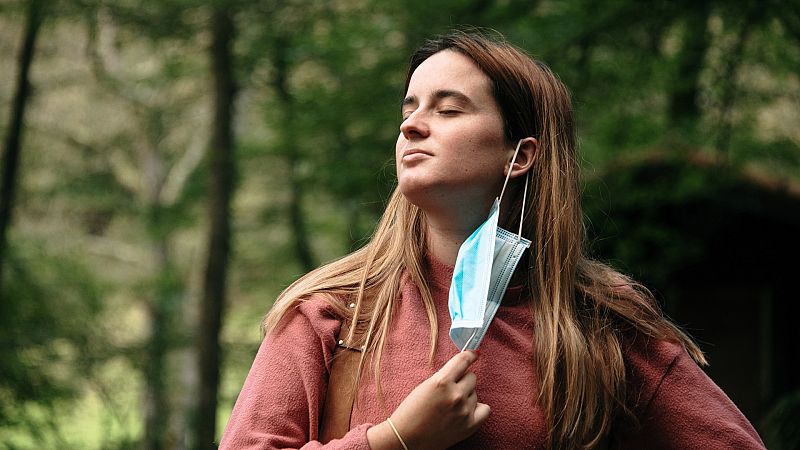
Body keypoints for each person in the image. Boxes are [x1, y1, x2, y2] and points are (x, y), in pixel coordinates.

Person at [219, 30, 765, 449]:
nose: (412, 126)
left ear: (521, 154)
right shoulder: (333, 312)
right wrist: (392, 441)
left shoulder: (602, 326)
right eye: (409, 110)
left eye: (448, 109)